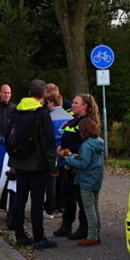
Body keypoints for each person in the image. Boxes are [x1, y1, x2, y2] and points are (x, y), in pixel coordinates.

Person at [6, 79, 58, 249]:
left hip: (19, 163)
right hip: (37, 164)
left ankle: (20, 236)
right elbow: (48, 143)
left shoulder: (16, 111)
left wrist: (13, 160)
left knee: (20, 199)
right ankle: (39, 238)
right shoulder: (42, 114)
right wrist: (53, 167)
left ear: (29, 94)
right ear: (44, 95)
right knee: (37, 201)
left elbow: (9, 137)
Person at [54, 93, 100, 241]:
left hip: (77, 164)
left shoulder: (87, 122)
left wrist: (67, 152)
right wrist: (61, 145)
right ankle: (66, 225)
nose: (72, 105)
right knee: (67, 196)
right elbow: (67, 136)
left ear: (85, 106)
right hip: (68, 163)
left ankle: (84, 228)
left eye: (76, 103)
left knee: (82, 199)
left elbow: (85, 144)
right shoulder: (75, 120)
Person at [61, 117, 104, 246]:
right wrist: (77, 156)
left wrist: (68, 158)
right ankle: (96, 232)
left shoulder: (85, 145)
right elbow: (90, 160)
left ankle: (91, 236)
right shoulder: (98, 142)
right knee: (95, 207)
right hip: (95, 179)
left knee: (88, 208)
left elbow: (84, 164)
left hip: (86, 179)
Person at [44, 92, 72, 218]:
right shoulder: (70, 118)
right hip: (66, 154)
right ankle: (63, 206)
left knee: (51, 182)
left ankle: (50, 208)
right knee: (64, 181)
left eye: (48, 103)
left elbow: (47, 138)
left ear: (52, 103)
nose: (47, 106)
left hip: (53, 154)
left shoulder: (49, 118)